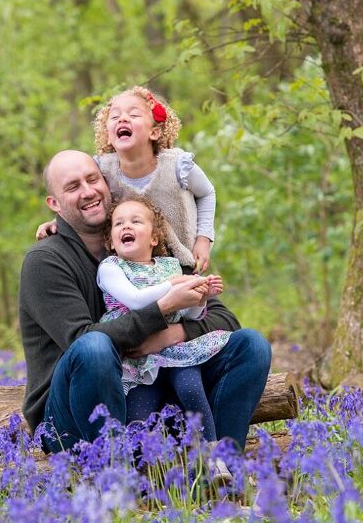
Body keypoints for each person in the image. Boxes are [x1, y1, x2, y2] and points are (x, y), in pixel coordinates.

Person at [19, 149, 271, 454]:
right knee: (95, 347)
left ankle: (219, 463)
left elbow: (223, 319)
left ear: (107, 183)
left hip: (150, 391)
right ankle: (117, 478)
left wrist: (174, 333)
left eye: (93, 179)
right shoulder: (46, 261)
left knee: (250, 344)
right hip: (71, 416)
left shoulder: (145, 245)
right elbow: (82, 343)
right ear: (54, 204)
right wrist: (163, 308)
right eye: (73, 187)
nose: (88, 192)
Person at [37, 86, 216, 272]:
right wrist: (59, 223)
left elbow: (207, 193)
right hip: (131, 269)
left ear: (154, 132)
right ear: (108, 136)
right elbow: (84, 199)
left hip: (181, 265)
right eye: (115, 117)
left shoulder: (178, 166)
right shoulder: (104, 169)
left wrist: (203, 238)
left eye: (134, 115)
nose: (123, 118)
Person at [98, 196, 231, 441]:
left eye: (136, 221)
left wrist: (200, 297)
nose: (126, 226)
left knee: (191, 389)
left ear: (154, 238)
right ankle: (140, 472)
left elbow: (188, 315)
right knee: (138, 416)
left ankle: (213, 457)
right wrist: (174, 284)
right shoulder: (111, 268)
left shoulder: (170, 266)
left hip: (173, 349)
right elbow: (136, 300)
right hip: (137, 356)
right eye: (119, 224)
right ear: (111, 242)